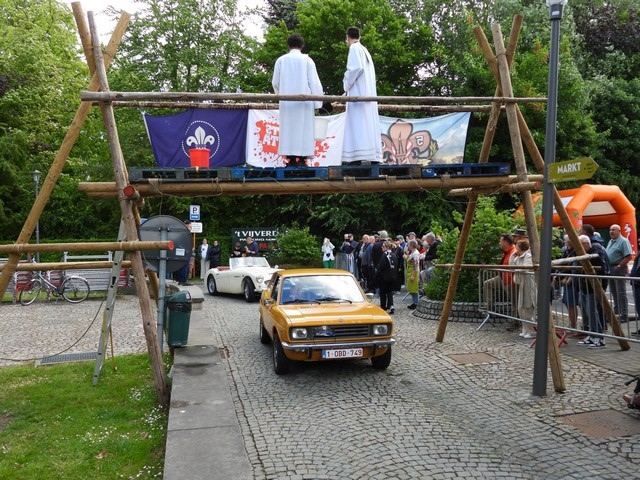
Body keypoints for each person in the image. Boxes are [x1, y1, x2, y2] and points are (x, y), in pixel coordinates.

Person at [272, 33, 323, 167]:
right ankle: (301, 159)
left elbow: (275, 82)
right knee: (303, 129)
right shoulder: (307, 61)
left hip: (287, 102)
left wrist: (281, 96)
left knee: (288, 129)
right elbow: (314, 83)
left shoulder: (281, 60)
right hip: (304, 102)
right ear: (302, 46)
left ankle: (290, 157)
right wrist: (318, 103)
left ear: (288, 45)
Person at [341, 26, 381, 164]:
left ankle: (356, 159)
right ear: (360, 36)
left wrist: (346, 83)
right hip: (367, 94)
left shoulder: (354, 48)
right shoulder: (365, 50)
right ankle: (371, 157)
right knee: (367, 126)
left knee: (357, 126)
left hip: (358, 96)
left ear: (348, 37)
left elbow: (355, 69)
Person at [482, 234, 518, 329]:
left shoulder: (513, 252)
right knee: (487, 284)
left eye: (500, 241)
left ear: (505, 242)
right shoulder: (506, 252)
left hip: (510, 281)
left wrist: (511, 282)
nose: (499, 243)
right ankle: (490, 305)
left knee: (514, 301)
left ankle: (516, 322)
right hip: (503, 278)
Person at [576, 235, 606, 348]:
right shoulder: (583, 254)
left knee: (592, 312)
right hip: (584, 287)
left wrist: (603, 286)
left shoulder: (595, 253)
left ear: (585, 244)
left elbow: (602, 269)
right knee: (588, 312)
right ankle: (592, 335)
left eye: (580, 244)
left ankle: (599, 337)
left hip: (592, 288)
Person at [605, 224, 633, 323]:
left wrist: (619, 266)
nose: (611, 231)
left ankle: (624, 314)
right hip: (611, 268)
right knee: (613, 291)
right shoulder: (611, 241)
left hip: (618, 268)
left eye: (613, 230)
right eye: (610, 230)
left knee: (621, 292)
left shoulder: (623, 241)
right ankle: (617, 312)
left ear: (619, 231)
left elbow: (629, 256)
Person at [513, 239, 537, 339]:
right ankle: (525, 329)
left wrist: (517, 269)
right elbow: (513, 264)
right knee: (521, 307)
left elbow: (526, 267)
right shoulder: (518, 257)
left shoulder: (528, 255)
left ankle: (531, 331)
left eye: (517, 246)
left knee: (528, 307)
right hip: (523, 284)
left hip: (529, 284)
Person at [376, 241, 397, 313]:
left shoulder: (384, 255)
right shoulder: (393, 255)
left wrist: (377, 274)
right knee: (389, 292)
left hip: (384, 277)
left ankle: (383, 307)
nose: (381, 247)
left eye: (383, 246)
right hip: (392, 277)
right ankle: (391, 305)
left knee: (383, 293)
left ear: (387, 247)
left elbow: (381, 266)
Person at [406, 239, 421, 310]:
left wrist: (413, 275)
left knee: (414, 288)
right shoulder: (412, 253)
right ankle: (414, 302)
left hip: (413, 272)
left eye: (409, 245)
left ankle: (416, 303)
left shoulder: (415, 253)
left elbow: (415, 265)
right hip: (410, 271)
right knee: (411, 288)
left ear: (412, 245)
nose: (408, 246)